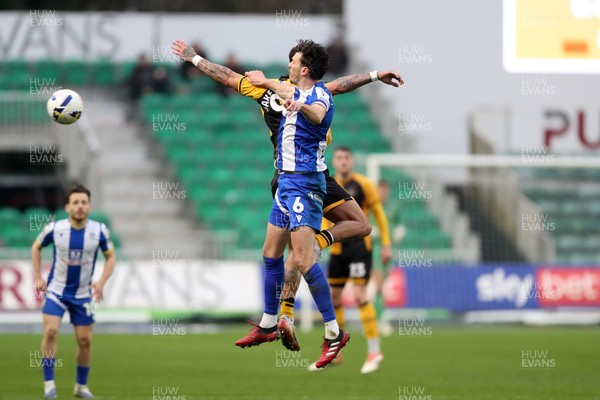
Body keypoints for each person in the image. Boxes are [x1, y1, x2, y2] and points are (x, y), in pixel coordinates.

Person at [170, 38, 403, 351]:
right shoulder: (278, 88)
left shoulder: (299, 90)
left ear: (303, 68)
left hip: (310, 175)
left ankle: (322, 325)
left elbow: (333, 88)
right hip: (290, 176)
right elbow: (227, 76)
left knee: (320, 246)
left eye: (293, 61)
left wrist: (373, 76)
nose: (289, 65)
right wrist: (195, 59)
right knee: (274, 252)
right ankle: (277, 320)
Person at [307, 146, 391, 374]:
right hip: (336, 249)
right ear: (333, 161)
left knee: (360, 295)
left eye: (347, 158)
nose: (343, 162)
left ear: (352, 161)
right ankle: (336, 351)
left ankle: (374, 350)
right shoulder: (327, 184)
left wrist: (385, 243)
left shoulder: (364, 184)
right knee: (334, 297)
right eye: (339, 158)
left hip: (358, 248)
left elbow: (378, 215)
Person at [32, 184, 116, 399]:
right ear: (67, 207)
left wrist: (101, 282)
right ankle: (49, 384)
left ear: (89, 206)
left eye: (84, 202)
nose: (80, 206)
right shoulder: (55, 229)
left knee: (85, 341)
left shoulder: (99, 231)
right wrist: (38, 277)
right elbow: (36, 247)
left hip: (82, 294)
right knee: (50, 331)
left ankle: (81, 387)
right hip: (57, 291)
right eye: (76, 203)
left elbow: (110, 256)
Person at [371, 180, 402, 336]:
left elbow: (398, 223)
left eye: (385, 191)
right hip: (376, 249)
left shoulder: (393, 207)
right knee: (377, 286)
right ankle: (378, 320)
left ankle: (377, 319)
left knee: (381, 287)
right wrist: (372, 232)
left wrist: (399, 231)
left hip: (389, 249)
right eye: (380, 191)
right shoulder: (371, 208)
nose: (383, 194)